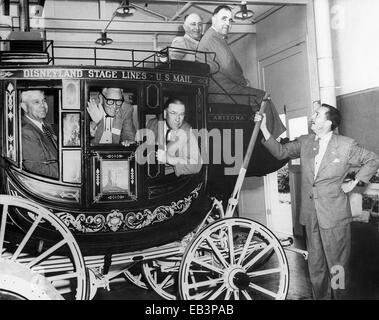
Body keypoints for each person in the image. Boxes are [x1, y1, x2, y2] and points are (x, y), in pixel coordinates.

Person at [255, 104, 379, 299]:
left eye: (317, 114)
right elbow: (280, 152)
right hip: (311, 214)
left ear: (328, 122)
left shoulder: (346, 145)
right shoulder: (306, 142)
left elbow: (373, 159)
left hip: (334, 216)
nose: (312, 117)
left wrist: (354, 183)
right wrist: (263, 128)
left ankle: (340, 297)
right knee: (315, 265)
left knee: (337, 265)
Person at [196, 5, 285, 139]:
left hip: (220, 91)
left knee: (258, 99)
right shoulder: (212, 38)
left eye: (230, 20)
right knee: (263, 97)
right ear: (213, 19)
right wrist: (243, 81)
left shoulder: (213, 38)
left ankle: (265, 137)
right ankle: (272, 140)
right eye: (224, 18)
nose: (227, 23)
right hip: (222, 92)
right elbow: (228, 65)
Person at [146, 97, 202, 176]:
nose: (178, 119)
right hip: (149, 173)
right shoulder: (152, 124)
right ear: (165, 114)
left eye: (181, 114)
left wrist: (169, 159)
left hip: (170, 179)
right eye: (173, 113)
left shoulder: (186, 131)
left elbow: (196, 166)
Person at [21, 90, 59, 179]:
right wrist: (70, 171)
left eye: (44, 100)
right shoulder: (26, 131)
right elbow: (37, 168)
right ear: (24, 107)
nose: (43, 106)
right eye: (36, 102)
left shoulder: (45, 125)